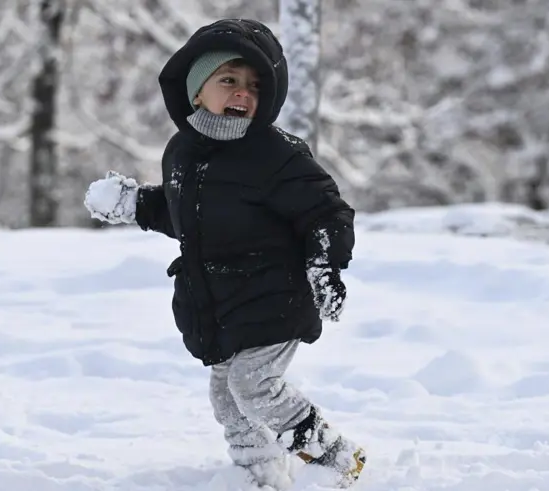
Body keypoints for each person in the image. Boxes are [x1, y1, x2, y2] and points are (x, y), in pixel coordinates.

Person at [82, 18, 365, 489]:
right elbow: (187, 216)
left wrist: (324, 265)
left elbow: (325, 212)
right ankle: (260, 476)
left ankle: (337, 459)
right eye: (228, 80)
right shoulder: (182, 153)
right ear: (197, 90)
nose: (243, 93)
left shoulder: (277, 155)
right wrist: (134, 203)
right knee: (228, 398)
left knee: (254, 387)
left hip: (276, 296)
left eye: (254, 86)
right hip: (221, 304)